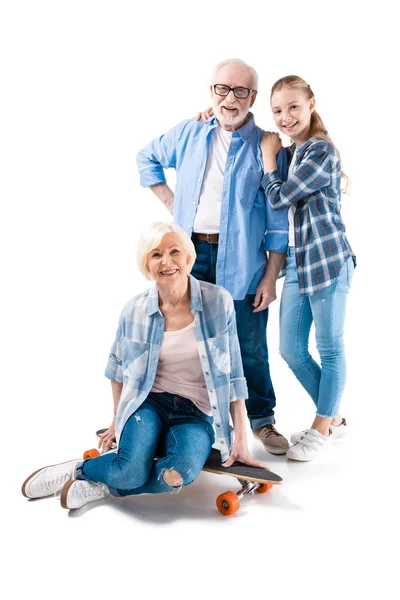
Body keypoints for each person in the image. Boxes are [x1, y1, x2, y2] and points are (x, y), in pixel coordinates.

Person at [21, 222, 264, 510]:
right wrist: (116, 419)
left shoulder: (217, 302)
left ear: (188, 257)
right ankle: (76, 470)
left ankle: (102, 484)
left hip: (194, 415)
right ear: (147, 265)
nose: (167, 261)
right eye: (156, 254)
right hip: (147, 404)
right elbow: (117, 369)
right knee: (131, 469)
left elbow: (234, 374)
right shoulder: (134, 310)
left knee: (178, 475)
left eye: (175, 251)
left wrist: (241, 440)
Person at [136, 59, 290, 455]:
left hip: (242, 261)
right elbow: (146, 159)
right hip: (186, 256)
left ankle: (262, 420)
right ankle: (187, 417)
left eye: (241, 91)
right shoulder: (190, 132)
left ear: (253, 97)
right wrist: (176, 207)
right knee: (185, 342)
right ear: (211, 91)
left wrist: (271, 277)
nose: (230, 98)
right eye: (223, 88)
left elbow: (278, 222)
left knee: (248, 344)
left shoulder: (265, 145)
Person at [260, 75, 356, 461]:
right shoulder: (295, 153)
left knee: (329, 348)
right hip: (299, 264)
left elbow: (281, 197)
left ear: (311, 104)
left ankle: (320, 426)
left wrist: (269, 160)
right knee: (290, 349)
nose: (285, 117)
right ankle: (332, 416)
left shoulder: (320, 151)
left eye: (293, 107)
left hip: (329, 259)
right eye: (277, 111)